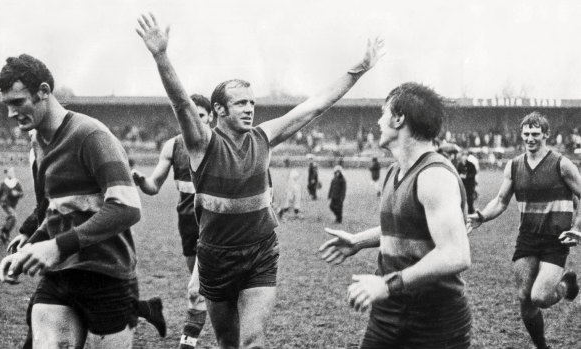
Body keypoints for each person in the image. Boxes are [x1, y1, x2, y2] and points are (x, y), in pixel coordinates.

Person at [136, 13, 383, 348]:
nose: (250, 108)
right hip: (215, 257)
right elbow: (181, 103)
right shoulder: (201, 143)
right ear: (219, 110)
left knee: (253, 341)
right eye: (240, 103)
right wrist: (161, 56)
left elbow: (315, 105)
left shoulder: (264, 137)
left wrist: (360, 68)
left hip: (260, 254)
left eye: (252, 102)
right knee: (228, 342)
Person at [0, 54, 143, 348]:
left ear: (44, 92)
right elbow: (54, 208)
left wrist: (55, 246)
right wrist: (30, 243)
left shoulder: (91, 135)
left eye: (19, 102)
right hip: (60, 275)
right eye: (7, 105)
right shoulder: (37, 144)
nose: (11, 113)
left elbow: (127, 207)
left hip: (107, 273)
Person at [319, 82, 472, 348]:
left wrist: (387, 285)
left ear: (399, 118)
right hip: (387, 313)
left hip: (435, 323)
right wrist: (357, 241)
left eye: (383, 113)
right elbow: (405, 227)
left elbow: (455, 254)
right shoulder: (394, 171)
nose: (378, 122)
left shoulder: (434, 175)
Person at [467, 112, 581, 349]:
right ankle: (542, 346)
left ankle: (566, 285)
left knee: (539, 296)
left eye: (535, 134)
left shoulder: (562, 164)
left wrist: (578, 227)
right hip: (527, 237)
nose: (530, 138)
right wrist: (482, 216)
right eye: (526, 134)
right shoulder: (514, 165)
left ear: (546, 135)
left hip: (555, 238)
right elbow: (500, 200)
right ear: (521, 134)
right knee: (524, 298)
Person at [131, 94, 213, 349]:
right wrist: (140, 180)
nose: (195, 121)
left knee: (196, 288)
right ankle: (222, 309)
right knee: (203, 283)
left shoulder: (219, 144)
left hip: (215, 223)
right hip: (188, 222)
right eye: (189, 116)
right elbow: (154, 185)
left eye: (200, 115)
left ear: (210, 117)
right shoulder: (173, 146)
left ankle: (188, 341)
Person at [0, 167, 24, 243]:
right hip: (5, 203)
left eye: (12, 172)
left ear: (14, 173)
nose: (10, 174)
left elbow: (22, 193)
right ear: (6, 174)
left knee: (11, 218)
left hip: (13, 204)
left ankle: (5, 234)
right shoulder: (4, 183)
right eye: (8, 172)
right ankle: (4, 231)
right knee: (13, 217)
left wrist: (17, 193)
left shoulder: (17, 183)